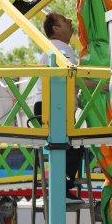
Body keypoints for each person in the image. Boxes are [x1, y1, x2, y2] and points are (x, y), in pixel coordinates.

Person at [32, 11, 84, 198]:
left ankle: (60, 187)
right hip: (54, 106)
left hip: (47, 106)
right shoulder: (61, 48)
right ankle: (61, 188)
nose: (69, 21)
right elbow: (70, 77)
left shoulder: (51, 48)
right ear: (55, 28)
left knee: (67, 146)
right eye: (64, 20)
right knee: (75, 145)